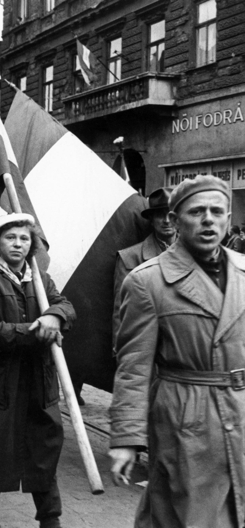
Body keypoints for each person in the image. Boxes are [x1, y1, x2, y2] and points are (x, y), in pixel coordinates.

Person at [109, 175, 245, 527]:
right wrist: (127, 437)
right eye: (197, 211)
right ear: (175, 219)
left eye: (217, 211)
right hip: (185, 417)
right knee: (184, 514)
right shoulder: (147, 281)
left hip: (241, 411)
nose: (208, 220)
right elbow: (133, 367)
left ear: (228, 218)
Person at [0, 213, 75, 528]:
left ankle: (50, 518)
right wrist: (35, 329)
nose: (18, 244)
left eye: (24, 238)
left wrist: (56, 316)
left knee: (44, 445)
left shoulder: (40, 279)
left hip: (37, 380)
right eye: (11, 238)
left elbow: (64, 304)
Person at [112, 187, 176, 346]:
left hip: (184, 350)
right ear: (152, 220)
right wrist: (121, 351)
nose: (166, 220)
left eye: (171, 215)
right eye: (161, 215)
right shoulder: (130, 258)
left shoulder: (193, 253)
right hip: (146, 346)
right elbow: (121, 312)